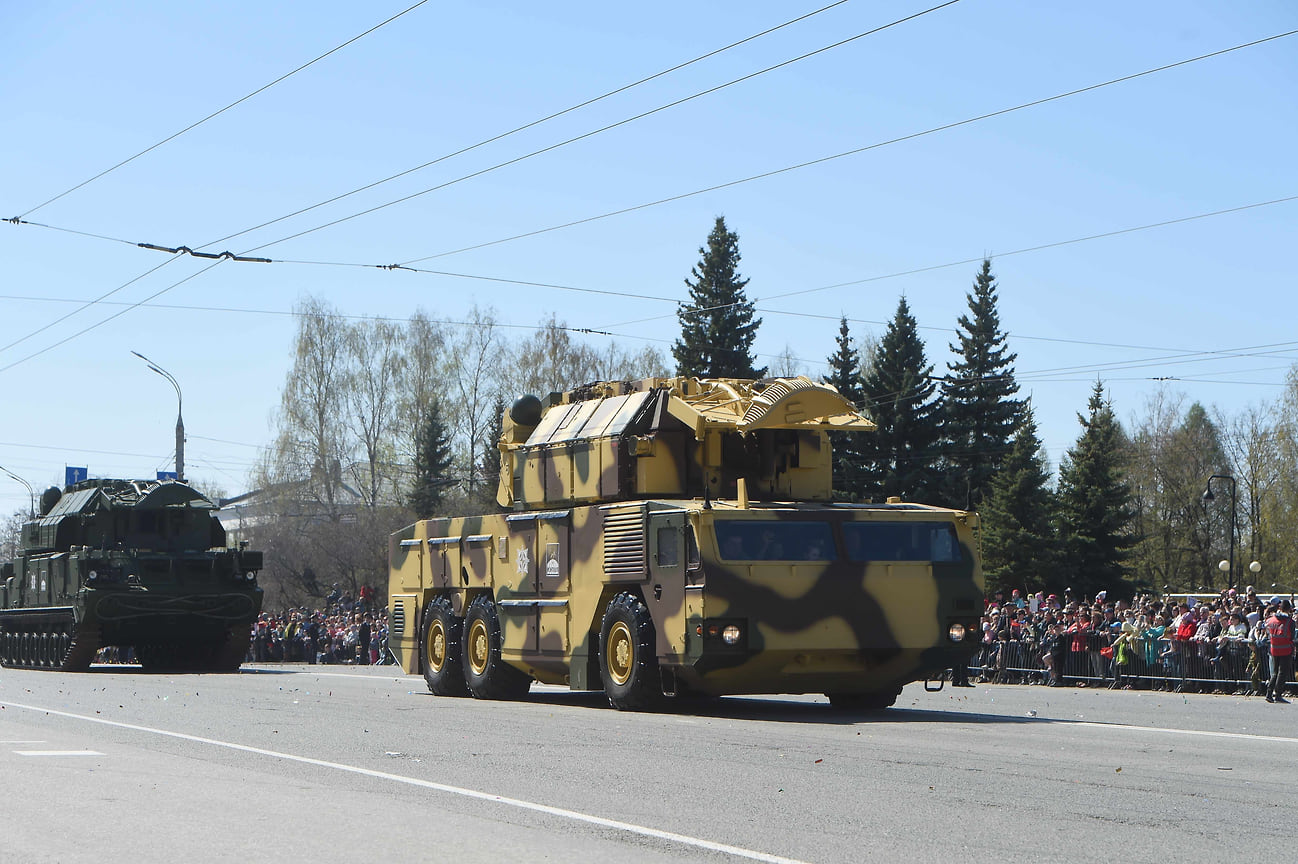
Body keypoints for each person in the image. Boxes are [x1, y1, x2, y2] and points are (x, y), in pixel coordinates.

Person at [1264, 599, 1294, 703]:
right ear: (1289, 609)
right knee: (1282, 673)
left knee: (1275, 672)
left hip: (1274, 649)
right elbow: (1292, 637)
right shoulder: (1290, 622)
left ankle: (1269, 693)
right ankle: (1278, 694)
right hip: (1286, 649)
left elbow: (1266, 629)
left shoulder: (1271, 620)